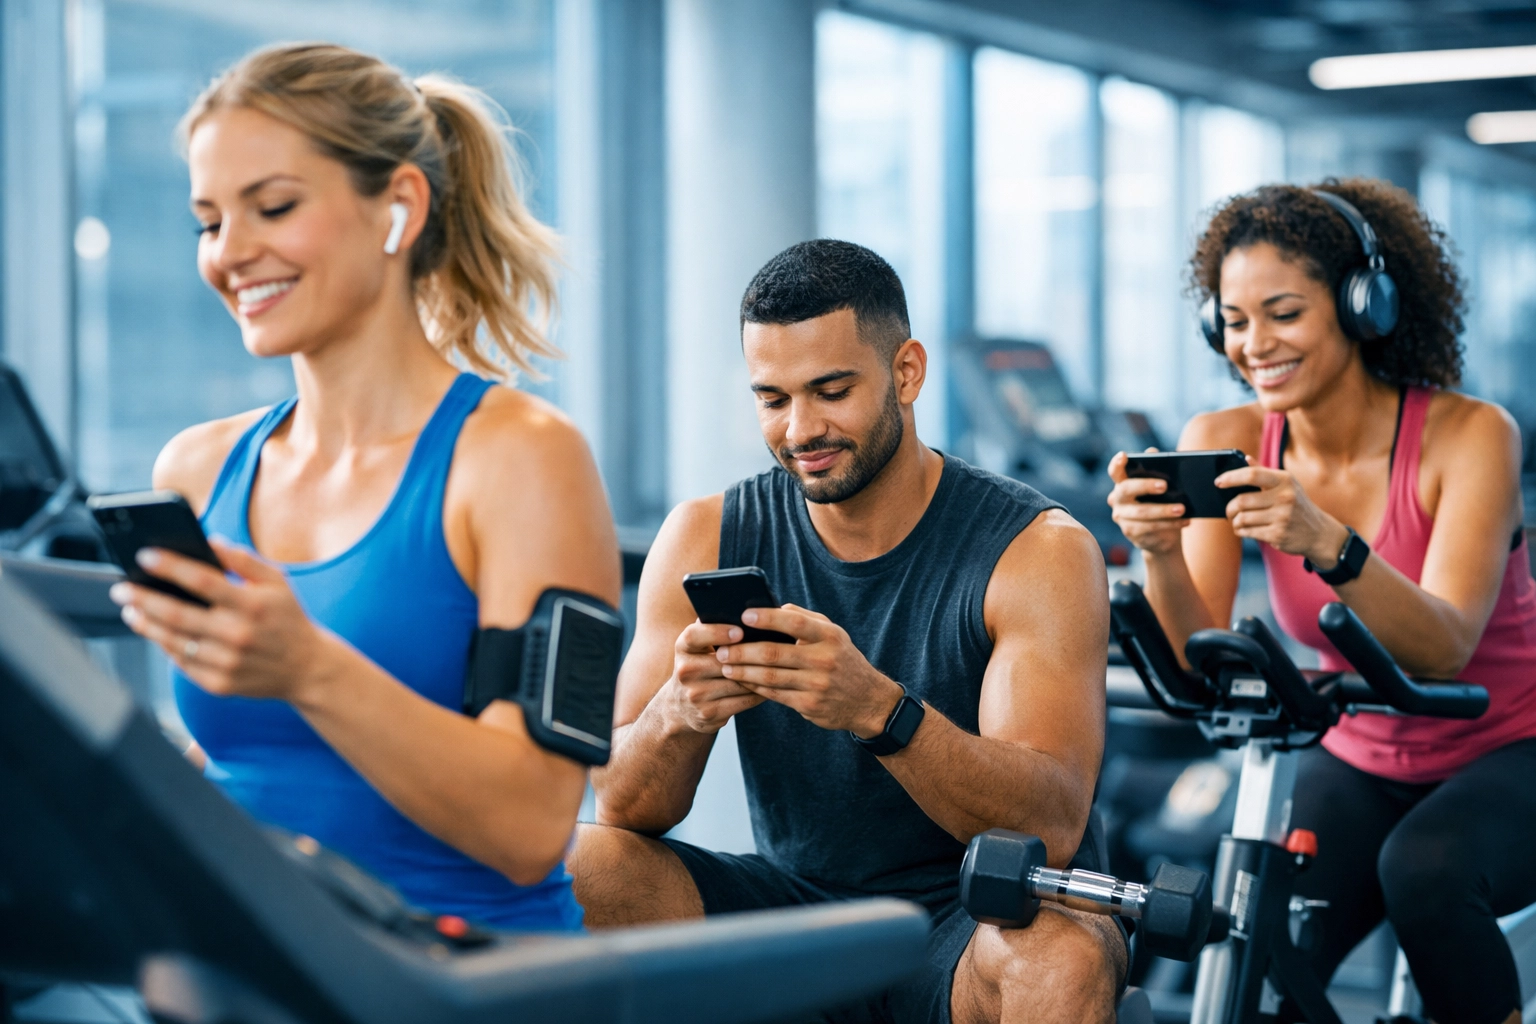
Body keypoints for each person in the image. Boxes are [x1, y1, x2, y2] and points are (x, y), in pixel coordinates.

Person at [108, 43, 620, 930]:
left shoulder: (523, 459)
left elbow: (534, 826)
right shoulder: (196, 468)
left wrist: (308, 668)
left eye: (273, 207)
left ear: (399, 206)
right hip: (249, 961)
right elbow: (249, 765)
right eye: (208, 222)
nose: (230, 253)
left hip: (459, 975)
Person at [571, 240, 1125, 1023]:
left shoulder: (1037, 551)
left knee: (1063, 952)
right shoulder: (705, 534)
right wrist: (680, 712)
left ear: (907, 373)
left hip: (971, 920)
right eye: (773, 399)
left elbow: (1049, 826)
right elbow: (626, 810)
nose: (801, 429)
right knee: (577, 869)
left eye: (831, 391)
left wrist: (877, 711)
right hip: (795, 913)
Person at [1107, 178, 1536, 1024]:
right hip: (1363, 751)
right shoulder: (1224, 439)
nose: (1254, 344)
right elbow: (1197, 652)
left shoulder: (1471, 434)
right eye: (1234, 320)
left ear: (1361, 307)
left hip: (1512, 743)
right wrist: (1158, 553)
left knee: (1426, 871)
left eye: (1284, 313)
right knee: (1252, 928)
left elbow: (1443, 648)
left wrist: (1325, 540)